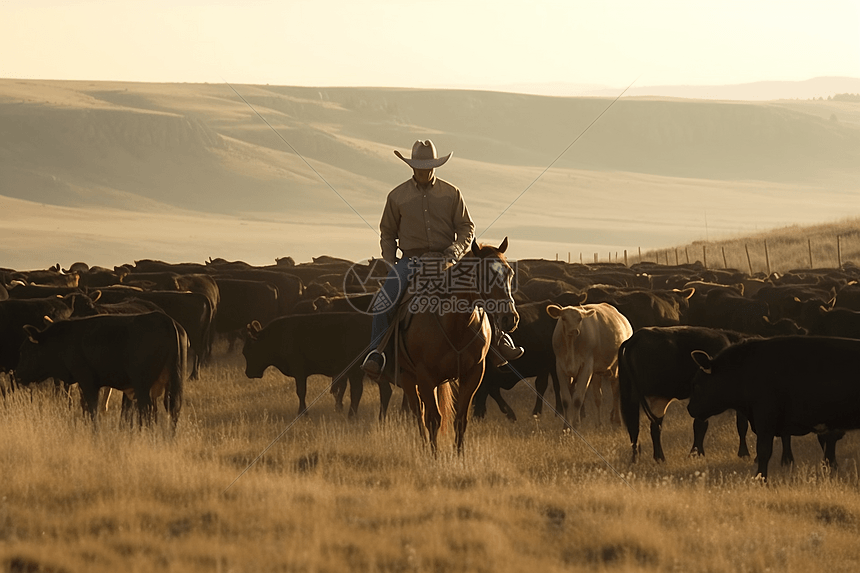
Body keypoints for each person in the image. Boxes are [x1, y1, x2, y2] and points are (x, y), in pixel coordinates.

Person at [361, 139, 523, 379]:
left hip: (446, 259)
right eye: (419, 165)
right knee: (384, 300)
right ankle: (377, 353)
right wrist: (390, 263)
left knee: (478, 289)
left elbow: (467, 227)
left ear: (435, 166)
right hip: (410, 262)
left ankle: (499, 339)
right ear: (412, 166)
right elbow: (388, 233)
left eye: (428, 165)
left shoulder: (451, 193)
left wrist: (455, 251)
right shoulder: (397, 196)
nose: (424, 170)